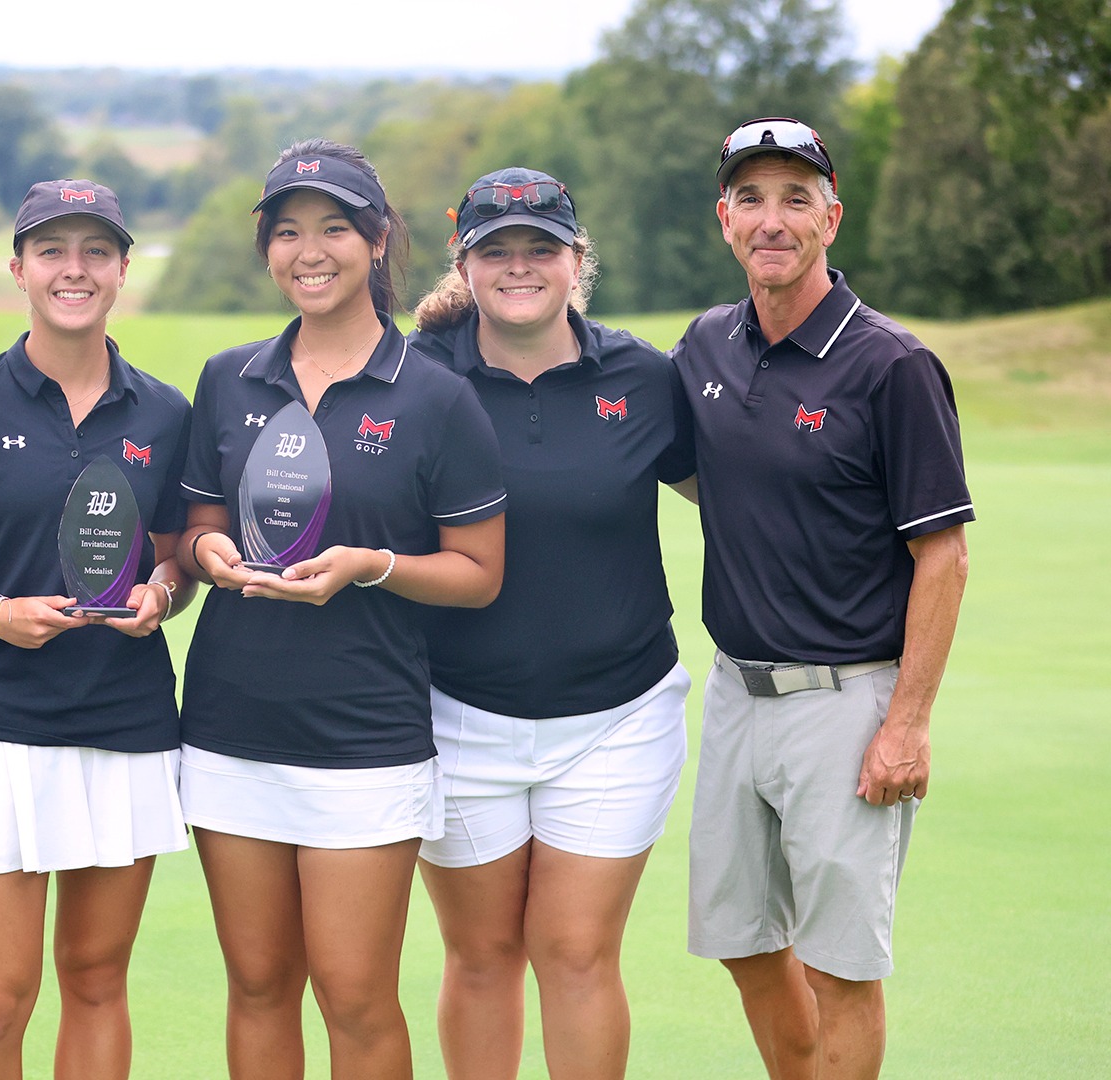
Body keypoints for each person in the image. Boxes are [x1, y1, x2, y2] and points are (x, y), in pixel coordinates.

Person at [177, 139, 507, 1079]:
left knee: (356, 996)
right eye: (286, 233)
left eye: (332, 229)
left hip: (366, 734)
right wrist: (210, 556)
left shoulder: (436, 396)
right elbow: (200, 527)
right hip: (233, 722)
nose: (307, 252)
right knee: (257, 984)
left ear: (376, 241)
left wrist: (370, 565)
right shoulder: (228, 377)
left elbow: (478, 571)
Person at [675, 117, 973, 1079]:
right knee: (744, 942)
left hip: (849, 704)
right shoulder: (707, 345)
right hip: (733, 694)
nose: (773, 219)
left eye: (796, 199)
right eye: (752, 198)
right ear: (725, 219)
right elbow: (688, 466)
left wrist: (908, 723)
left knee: (842, 968)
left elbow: (944, 559)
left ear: (831, 218)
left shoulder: (892, 366)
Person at [0, 179, 194, 1080]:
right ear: (18, 268)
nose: (75, 269)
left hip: (126, 720)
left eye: (95, 251)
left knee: (98, 979)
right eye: (53, 251)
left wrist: (164, 596)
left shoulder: (165, 412)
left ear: (122, 270)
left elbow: (179, 555)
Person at [406, 168, 696, 1079]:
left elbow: (734, 503)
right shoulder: (418, 380)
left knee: (574, 953)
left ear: (578, 261)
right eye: (498, 250)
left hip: (617, 716)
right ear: (467, 263)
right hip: (456, 713)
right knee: (483, 956)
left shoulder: (643, 378)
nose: (520, 267)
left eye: (543, 249)